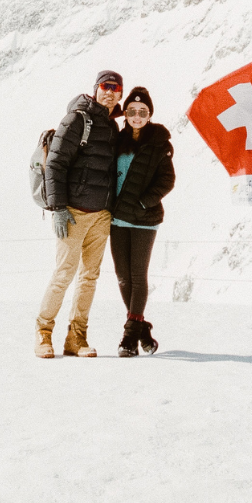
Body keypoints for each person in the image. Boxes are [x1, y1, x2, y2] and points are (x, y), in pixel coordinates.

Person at [36, 70, 123, 358]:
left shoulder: (112, 127)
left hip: (101, 216)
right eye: (105, 86)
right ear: (96, 89)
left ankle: (76, 338)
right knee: (63, 275)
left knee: (89, 278)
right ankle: (43, 333)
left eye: (115, 88)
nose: (109, 92)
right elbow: (56, 165)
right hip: (72, 212)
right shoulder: (77, 119)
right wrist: (58, 208)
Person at [109, 85, 174, 356]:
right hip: (118, 219)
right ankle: (140, 326)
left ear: (150, 115)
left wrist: (143, 201)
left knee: (138, 274)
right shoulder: (118, 140)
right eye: (132, 111)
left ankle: (129, 337)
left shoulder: (159, 142)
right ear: (125, 113)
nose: (137, 116)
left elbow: (167, 180)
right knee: (123, 277)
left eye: (142, 112)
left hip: (145, 218)